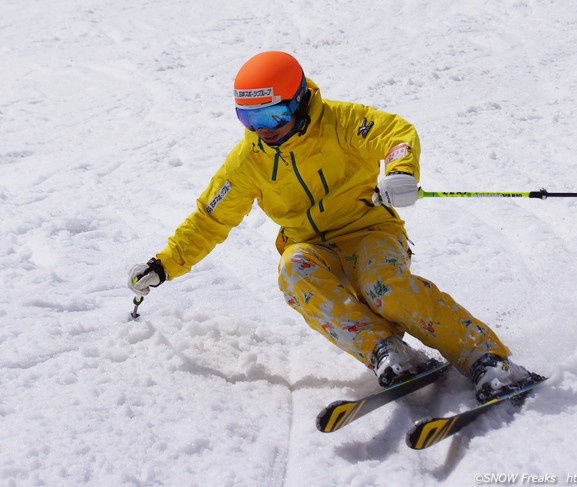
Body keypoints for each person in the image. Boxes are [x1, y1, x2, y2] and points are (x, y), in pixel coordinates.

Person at [128, 51, 542, 402]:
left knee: (384, 287)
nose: (264, 130)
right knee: (293, 271)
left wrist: (400, 170)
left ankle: (487, 358)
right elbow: (211, 218)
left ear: (298, 100)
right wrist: (164, 264)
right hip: (312, 247)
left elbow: (395, 134)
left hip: (370, 231)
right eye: (249, 118)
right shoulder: (249, 159)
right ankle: (389, 350)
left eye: (273, 114)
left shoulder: (341, 123)